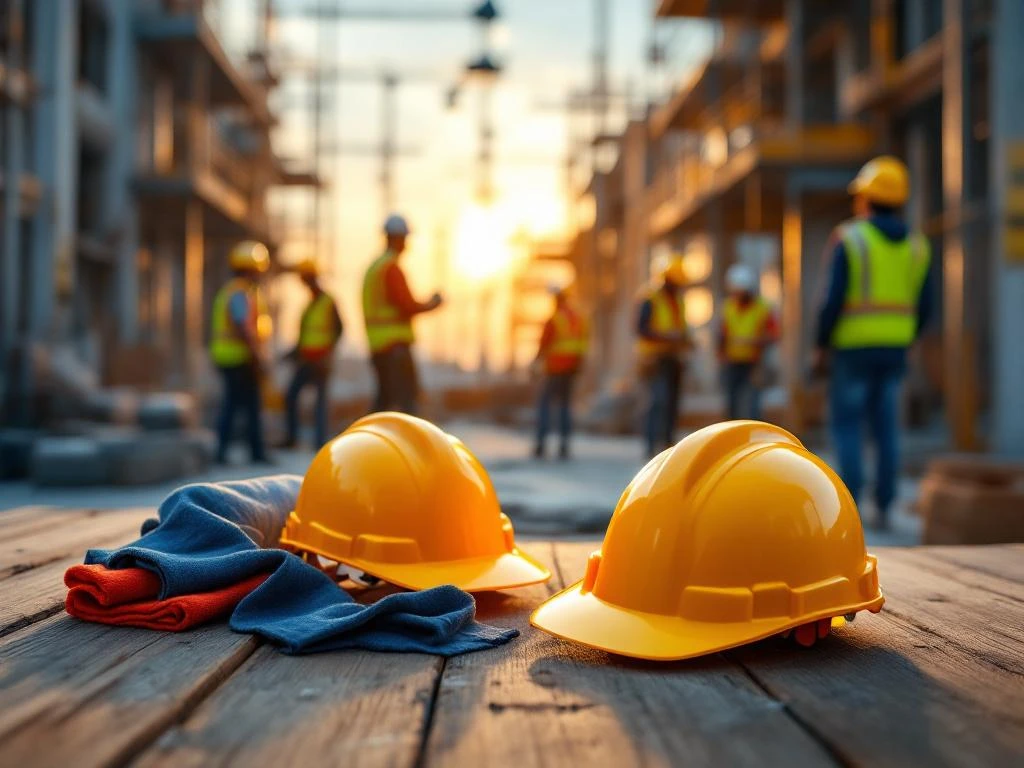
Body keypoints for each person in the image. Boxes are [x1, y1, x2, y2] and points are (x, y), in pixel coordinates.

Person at [813, 155, 934, 530]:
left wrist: (821, 344)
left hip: (853, 349)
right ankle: (885, 504)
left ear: (865, 198)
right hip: (894, 350)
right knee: (886, 429)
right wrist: (907, 337)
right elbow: (926, 305)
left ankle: (852, 507)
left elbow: (832, 300)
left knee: (848, 426)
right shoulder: (917, 246)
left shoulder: (850, 238)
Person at [362, 214, 443, 414]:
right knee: (407, 401)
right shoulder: (391, 268)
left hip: (378, 345)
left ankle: (372, 433)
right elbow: (406, 305)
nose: (406, 244)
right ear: (396, 238)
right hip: (395, 346)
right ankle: (406, 435)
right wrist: (432, 304)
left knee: (385, 401)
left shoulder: (375, 267)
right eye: (404, 238)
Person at [210, 240, 272, 465]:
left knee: (237, 405)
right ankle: (252, 452)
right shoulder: (239, 294)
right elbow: (243, 327)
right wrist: (258, 355)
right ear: (251, 269)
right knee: (244, 406)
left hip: (232, 357)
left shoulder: (234, 291)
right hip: (238, 358)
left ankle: (229, 451)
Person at [282, 259, 343, 449]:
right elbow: (304, 337)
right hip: (307, 360)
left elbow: (339, 330)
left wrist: (328, 354)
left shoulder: (328, 301)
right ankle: (292, 438)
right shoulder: (309, 306)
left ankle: (319, 442)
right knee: (291, 396)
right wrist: (292, 354)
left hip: (321, 361)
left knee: (320, 403)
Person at [636, 255, 690, 457]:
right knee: (657, 401)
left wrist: (685, 340)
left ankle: (668, 447)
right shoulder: (650, 298)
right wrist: (666, 337)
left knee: (672, 403)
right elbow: (641, 329)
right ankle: (650, 446)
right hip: (654, 359)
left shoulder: (678, 301)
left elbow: (681, 326)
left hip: (674, 358)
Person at [533, 283, 589, 460]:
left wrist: (535, 362)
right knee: (565, 406)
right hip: (571, 369)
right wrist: (578, 364)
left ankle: (541, 445)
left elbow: (544, 343)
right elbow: (583, 344)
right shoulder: (578, 319)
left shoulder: (556, 319)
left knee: (545, 405)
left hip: (554, 368)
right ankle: (564, 446)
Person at [718, 263, 778, 420]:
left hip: (754, 362)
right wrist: (721, 356)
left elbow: (774, 334)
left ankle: (752, 432)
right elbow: (722, 334)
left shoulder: (763, 308)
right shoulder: (728, 307)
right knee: (732, 403)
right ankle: (732, 432)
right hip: (732, 362)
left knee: (753, 404)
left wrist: (754, 342)